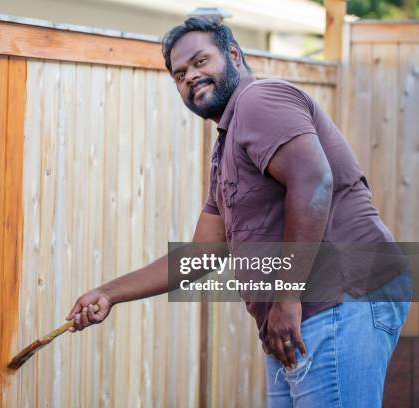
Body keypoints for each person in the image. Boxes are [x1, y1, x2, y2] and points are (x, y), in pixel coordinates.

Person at [66, 17, 411, 407]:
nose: (190, 77)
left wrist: (286, 298)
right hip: (301, 317)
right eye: (179, 74)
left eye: (200, 62)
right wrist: (109, 294)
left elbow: (314, 182)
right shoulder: (227, 145)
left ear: (233, 55)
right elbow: (200, 254)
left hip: (338, 299)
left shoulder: (259, 100)